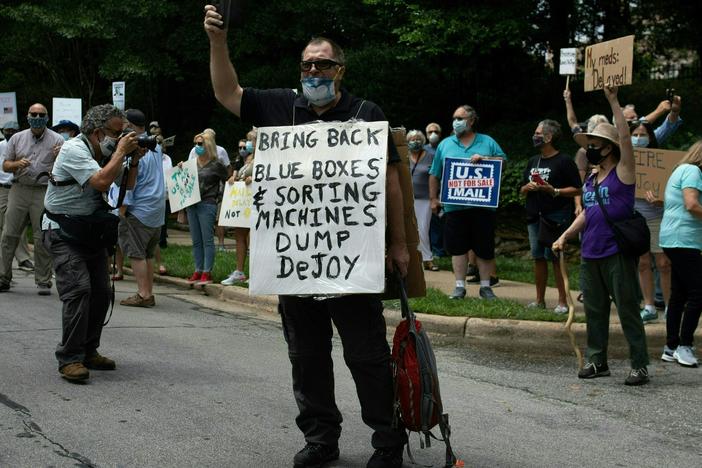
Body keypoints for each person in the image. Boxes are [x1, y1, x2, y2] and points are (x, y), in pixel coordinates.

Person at [205, 6, 409, 467]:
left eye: (323, 64)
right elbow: (226, 91)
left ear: (341, 70)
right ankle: (321, 438)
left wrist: (399, 244)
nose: (314, 71)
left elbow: (390, 185)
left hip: (352, 262)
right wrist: (218, 42)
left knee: (367, 356)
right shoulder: (280, 107)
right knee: (307, 355)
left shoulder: (365, 113)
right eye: (307, 65)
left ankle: (387, 439)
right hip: (296, 264)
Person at [553, 86, 650, 386]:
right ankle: (598, 361)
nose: (589, 148)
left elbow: (624, 136)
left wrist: (613, 100)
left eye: (594, 143)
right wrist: (566, 235)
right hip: (590, 254)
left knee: (628, 310)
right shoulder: (592, 177)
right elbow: (588, 212)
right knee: (594, 312)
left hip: (616, 253)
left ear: (608, 147)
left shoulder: (624, 172)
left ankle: (640, 365)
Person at [42, 104, 140, 381]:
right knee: (79, 289)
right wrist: (122, 152)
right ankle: (69, 358)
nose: (121, 138)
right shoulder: (75, 149)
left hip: (89, 230)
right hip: (61, 229)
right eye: (116, 133)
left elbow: (127, 185)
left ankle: (88, 350)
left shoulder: (108, 152)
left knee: (101, 292)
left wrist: (134, 159)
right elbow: (99, 181)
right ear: (97, 132)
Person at [428, 104, 506, 300]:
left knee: (484, 248)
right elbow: (434, 174)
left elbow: (503, 161)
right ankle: (459, 287)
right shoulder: (445, 144)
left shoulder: (487, 142)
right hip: (454, 207)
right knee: (458, 248)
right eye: (454, 118)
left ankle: (486, 287)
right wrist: (433, 198)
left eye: (460, 118)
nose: (456, 122)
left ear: (471, 121)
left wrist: (486, 158)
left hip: (482, 206)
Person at [0, 103, 64, 294]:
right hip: (19, 188)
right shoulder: (17, 138)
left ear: (47, 118)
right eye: (33, 114)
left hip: (44, 190)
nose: (37, 117)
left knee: (42, 236)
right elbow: (5, 165)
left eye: (41, 114)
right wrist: (17, 163)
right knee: (8, 234)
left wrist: (59, 157)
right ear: (27, 116)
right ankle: (3, 277)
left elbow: (64, 168)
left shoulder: (57, 139)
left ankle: (43, 281)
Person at [520, 119, 581, 314]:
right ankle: (539, 300)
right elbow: (521, 188)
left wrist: (553, 190)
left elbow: (576, 189)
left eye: (538, 133)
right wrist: (526, 188)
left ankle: (563, 302)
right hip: (534, 216)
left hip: (556, 215)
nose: (534, 136)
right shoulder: (533, 161)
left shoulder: (564, 161)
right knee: (538, 257)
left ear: (549, 137)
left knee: (556, 257)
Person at [658, 141, 702, 367]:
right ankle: (684, 345)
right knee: (698, 293)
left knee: (679, 295)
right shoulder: (693, 171)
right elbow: (692, 205)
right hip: (683, 240)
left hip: (675, 239)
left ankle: (671, 346)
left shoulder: (682, 169)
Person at [117, 109, 166, 308]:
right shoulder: (155, 147)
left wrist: (122, 209)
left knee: (137, 253)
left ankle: (143, 294)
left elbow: (131, 182)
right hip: (156, 209)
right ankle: (149, 292)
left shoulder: (135, 149)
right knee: (147, 254)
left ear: (131, 127)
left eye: (124, 126)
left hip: (140, 209)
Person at [629, 121, 671, 323]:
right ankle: (649, 306)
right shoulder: (625, 159)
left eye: (642, 134)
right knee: (643, 263)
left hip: (657, 217)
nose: (638, 138)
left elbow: (672, 192)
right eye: (634, 134)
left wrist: (661, 199)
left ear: (650, 137)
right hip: (636, 218)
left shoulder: (661, 160)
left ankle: (671, 306)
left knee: (663, 263)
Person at [182, 131, 229, 287]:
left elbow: (227, 181)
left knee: (207, 239)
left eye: (200, 143)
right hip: (191, 204)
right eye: (195, 143)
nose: (197, 147)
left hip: (207, 203)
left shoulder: (216, 165)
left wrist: (220, 198)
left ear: (208, 145)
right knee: (196, 240)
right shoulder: (191, 163)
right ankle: (198, 268)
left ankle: (207, 271)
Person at [0, 121, 33, 272]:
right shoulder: (1, 145)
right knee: (6, 225)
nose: (10, 133)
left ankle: (23, 258)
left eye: (13, 130)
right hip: (2, 188)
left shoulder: (22, 143)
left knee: (18, 224)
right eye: (8, 130)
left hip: (17, 186)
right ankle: (9, 261)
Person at [221, 151, 254, 285]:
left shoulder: (264, 156)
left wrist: (253, 178)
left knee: (254, 239)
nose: (248, 144)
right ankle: (239, 272)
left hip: (255, 201)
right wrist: (233, 179)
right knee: (239, 236)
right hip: (243, 202)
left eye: (251, 140)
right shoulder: (246, 159)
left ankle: (255, 273)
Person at [407, 129, 437, 271]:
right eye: (412, 139)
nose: (415, 141)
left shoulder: (430, 156)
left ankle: (427, 259)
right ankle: (413, 258)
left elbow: (437, 176)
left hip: (425, 198)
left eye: (418, 139)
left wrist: (435, 198)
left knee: (423, 228)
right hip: (407, 198)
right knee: (409, 229)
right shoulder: (404, 156)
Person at [424, 122, 446, 259]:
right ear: (426, 135)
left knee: (442, 222)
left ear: (440, 134)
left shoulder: (445, 148)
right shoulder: (422, 151)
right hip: (425, 193)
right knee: (429, 223)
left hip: (442, 191)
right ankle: (433, 250)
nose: (433, 135)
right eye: (430, 132)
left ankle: (441, 250)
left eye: (436, 132)